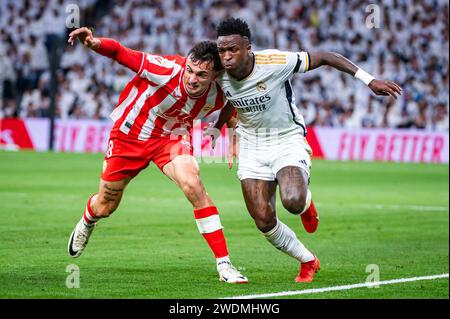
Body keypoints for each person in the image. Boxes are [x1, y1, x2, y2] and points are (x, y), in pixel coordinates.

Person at [209, 18, 402, 283]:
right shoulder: (218, 73)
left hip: (286, 138)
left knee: (293, 201)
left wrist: (368, 81)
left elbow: (324, 56)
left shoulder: (276, 62)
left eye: (233, 50)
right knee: (264, 220)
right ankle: (308, 260)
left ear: (248, 48)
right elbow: (232, 100)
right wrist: (220, 127)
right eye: (222, 51)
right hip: (252, 144)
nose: (227, 56)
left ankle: (306, 201)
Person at [66, 27, 248, 284]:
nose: (192, 79)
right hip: (130, 134)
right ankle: (88, 220)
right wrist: (94, 43)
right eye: (191, 70)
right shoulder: (166, 69)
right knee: (106, 206)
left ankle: (224, 265)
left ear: (216, 76)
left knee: (193, 183)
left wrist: (227, 132)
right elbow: (120, 52)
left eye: (202, 75)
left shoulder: (221, 90)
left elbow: (232, 103)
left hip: (171, 138)